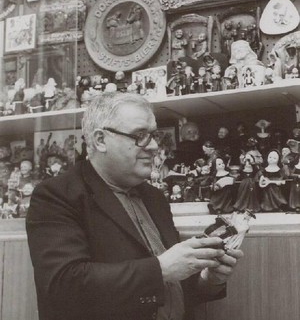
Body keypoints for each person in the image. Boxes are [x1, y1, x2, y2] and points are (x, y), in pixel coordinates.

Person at [26, 92, 243, 320]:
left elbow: (169, 289)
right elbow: (64, 284)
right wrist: (161, 269)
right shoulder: (56, 195)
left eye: (153, 135)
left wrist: (207, 281)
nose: (154, 146)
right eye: (140, 135)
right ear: (100, 140)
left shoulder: (155, 198)